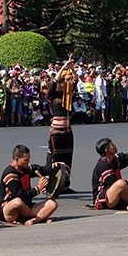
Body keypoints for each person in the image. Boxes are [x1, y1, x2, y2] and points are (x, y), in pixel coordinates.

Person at [0, 144, 58, 225]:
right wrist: (38, 189)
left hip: (27, 207)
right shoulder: (10, 174)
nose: (28, 162)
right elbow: (19, 194)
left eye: (29, 159)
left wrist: (53, 166)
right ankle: (35, 217)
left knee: (52, 203)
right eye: (26, 160)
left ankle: (34, 220)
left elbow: (42, 170)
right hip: (10, 211)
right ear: (17, 159)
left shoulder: (26, 168)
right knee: (17, 202)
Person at [44, 58, 77, 189]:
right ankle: (53, 184)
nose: (65, 83)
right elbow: (56, 80)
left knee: (68, 157)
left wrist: (72, 67)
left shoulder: (67, 95)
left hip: (67, 130)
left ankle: (65, 185)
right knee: (55, 158)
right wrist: (63, 67)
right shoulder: (52, 95)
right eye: (64, 82)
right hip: (56, 131)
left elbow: (75, 80)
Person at [91, 138, 128, 211]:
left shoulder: (114, 159)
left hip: (117, 195)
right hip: (106, 200)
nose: (115, 146)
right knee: (121, 184)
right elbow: (114, 184)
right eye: (112, 145)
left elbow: (125, 158)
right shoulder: (104, 166)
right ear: (107, 150)